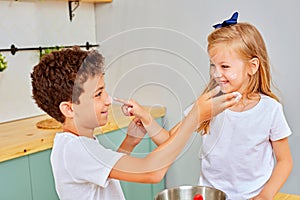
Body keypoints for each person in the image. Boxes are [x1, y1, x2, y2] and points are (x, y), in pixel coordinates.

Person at [30, 46, 239, 200]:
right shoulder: (76, 150)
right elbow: (152, 171)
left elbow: (106, 172)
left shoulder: (78, 144)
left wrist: (129, 142)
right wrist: (195, 117)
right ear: (68, 108)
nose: (108, 100)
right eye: (98, 94)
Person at [143, 12, 293, 200]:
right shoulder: (207, 106)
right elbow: (168, 142)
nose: (216, 74)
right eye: (213, 65)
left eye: (225, 66)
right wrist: (148, 121)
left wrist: (265, 195)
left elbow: (285, 161)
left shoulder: (270, 110)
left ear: (252, 66)